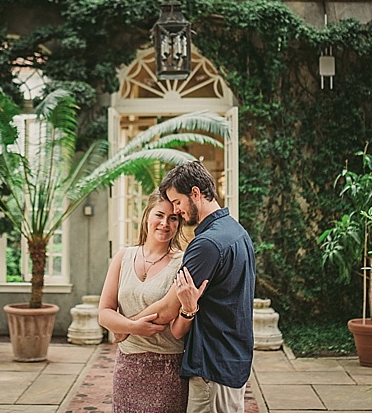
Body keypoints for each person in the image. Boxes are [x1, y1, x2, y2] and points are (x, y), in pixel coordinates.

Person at [133, 161, 256, 413]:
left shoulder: (207, 244)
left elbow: (168, 308)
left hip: (212, 366)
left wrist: (126, 325)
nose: (176, 211)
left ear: (196, 194)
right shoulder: (237, 231)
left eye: (177, 202)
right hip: (230, 359)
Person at [98, 190, 197, 413]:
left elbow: (173, 321)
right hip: (127, 365)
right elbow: (104, 312)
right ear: (147, 217)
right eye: (159, 215)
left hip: (167, 368)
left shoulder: (183, 262)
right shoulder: (124, 256)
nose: (165, 224)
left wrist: (121, 327)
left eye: (173, 218)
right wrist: (132, 328)